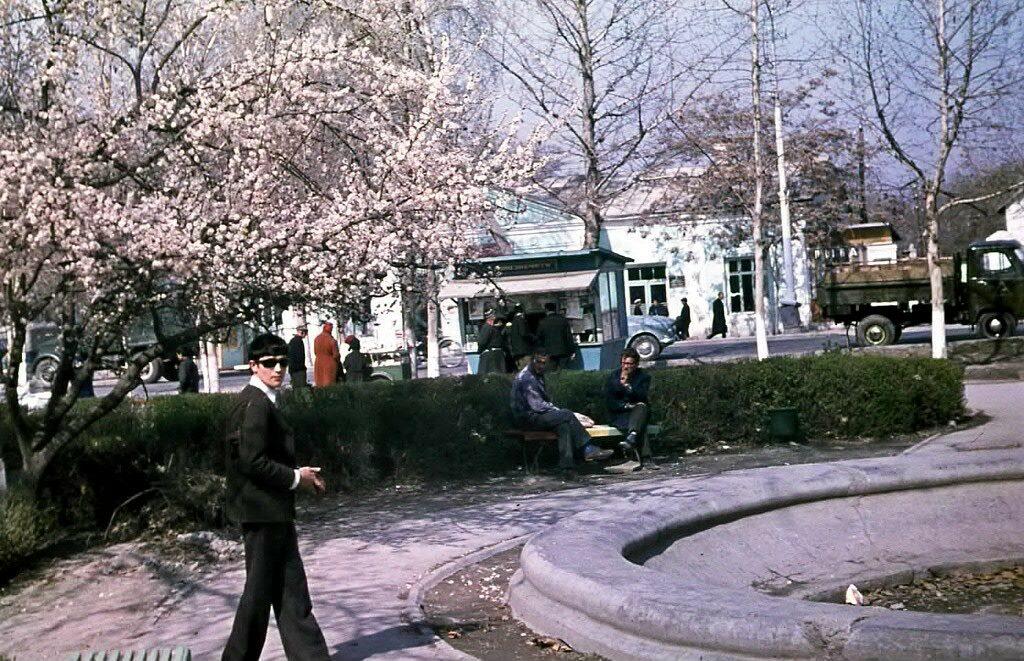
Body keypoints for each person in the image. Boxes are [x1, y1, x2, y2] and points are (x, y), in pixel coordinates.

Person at [222, 333, 330, 661]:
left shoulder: (260, 400)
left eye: (283, 362)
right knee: (258, 597)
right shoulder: (256, 404)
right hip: (262, 513)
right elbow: (251, 462)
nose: (278, 369)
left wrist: (299, 474)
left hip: (270, 511)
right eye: (270, 363)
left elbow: (258, 458)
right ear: (253, 366)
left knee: (291, 592)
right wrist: (297, 478)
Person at [511, 350, 613, 476]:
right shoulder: (527, 378)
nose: (541, 366)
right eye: (538, 362)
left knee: (563, 426)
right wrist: (566, 414)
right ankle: (587, 448)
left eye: (544, 363)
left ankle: (566, 468)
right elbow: (538, 406)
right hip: (527, 418)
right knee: (566, 415)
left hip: (536, 415)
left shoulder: (536, 373)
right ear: (532, 360)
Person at [605, 348, 657, 469]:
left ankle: (632, 438)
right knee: (640, 426)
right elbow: (609, 400)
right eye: (623, 363)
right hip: (619, 414)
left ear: (636, 364)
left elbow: (642, 396)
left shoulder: (643, 377)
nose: (625, 367)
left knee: (641, 407)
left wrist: (628, 387)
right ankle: (645, 457)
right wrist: (625, 403)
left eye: (629, 364)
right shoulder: (614, 376)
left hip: (637, 412)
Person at [536, 302, 577, 369]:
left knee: (551, 371)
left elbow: (539, 338)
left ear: (546, 310)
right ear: (555, 309)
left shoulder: (543, 322)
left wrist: (541, 352)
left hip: (549, 352)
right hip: (563, 351)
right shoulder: (563, 320)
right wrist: (572, 351)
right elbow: (569, 337)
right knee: (563, 371)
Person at [477, 308, 507, 375]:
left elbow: (482, 342)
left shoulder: (488, 327)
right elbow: (482, 342)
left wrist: (480, 351)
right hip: (495, 354)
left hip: (491, 355)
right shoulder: (490, 328)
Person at [507, 303, 534, 370]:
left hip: (517, 349)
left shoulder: (514, 320)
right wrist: (532, 337)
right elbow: (523, 333)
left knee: (521, 368)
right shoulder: (520, 319)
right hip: (523, 348)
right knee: (527, 368)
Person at [312, 322, 340, 387]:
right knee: (329, 384)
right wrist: (338, 362)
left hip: (318, 363)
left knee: (319, 383)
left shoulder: (316, 339)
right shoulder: (332, 340)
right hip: (329, 363)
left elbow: (315, 352)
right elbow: (336, 355)